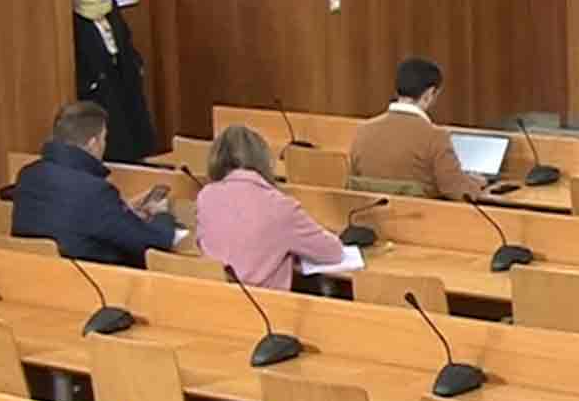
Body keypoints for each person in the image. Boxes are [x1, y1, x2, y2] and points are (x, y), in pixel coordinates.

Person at [11, 101, 177, 267]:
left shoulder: (27, 176)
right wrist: (162, 214)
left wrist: (122, 211)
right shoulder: (95, 192)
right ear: (93, 144)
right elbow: (156, 242)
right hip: (94, 283)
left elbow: (72, 218)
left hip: (36, 276)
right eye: (104, 139)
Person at [196, 125, 346, 289]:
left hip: (215, 301)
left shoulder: (206, 197)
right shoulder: (281, 206)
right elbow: (333, 252)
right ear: (264, 160)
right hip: (265, 308)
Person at [69, 0, 157, 164]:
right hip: (98, 85)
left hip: (122, 75)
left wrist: (136, 63)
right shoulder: (70, 8)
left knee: (135, 133)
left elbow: (123, 36)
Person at [347, 58, 485, 200]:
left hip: (372, 219)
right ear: (429, 94)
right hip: (425, 219)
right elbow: (458, 191)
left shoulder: (363, 132)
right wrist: (476, 183)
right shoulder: (435, 137)